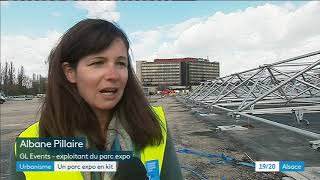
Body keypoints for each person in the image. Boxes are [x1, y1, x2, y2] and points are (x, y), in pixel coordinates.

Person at [9, 19, 183, 180]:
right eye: (98, 63)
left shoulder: (152, 125)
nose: (113, 75)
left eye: (121, 63)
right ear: (70, 72)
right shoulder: (31, 145)